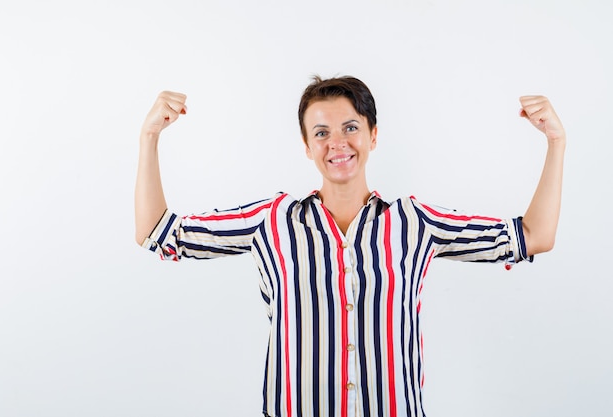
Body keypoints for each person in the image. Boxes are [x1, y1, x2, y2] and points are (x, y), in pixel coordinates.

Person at [134, 76, 565, 417]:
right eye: (321, 132)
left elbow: (532, 236)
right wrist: (149, 136)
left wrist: (556, 142)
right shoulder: (271, 222)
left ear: (373, 136)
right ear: (306, 146)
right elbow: (157, 231)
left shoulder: (415, 224)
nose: (337, 142)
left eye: (351, 127)